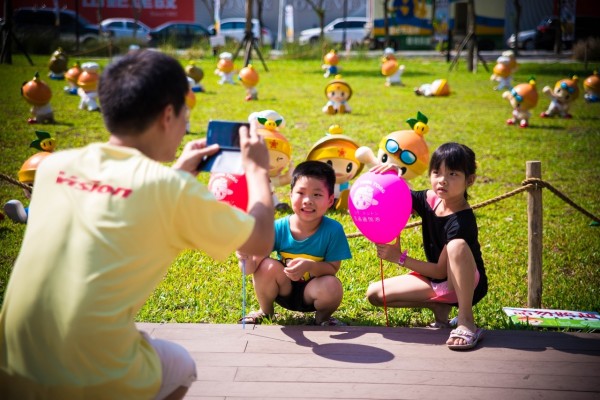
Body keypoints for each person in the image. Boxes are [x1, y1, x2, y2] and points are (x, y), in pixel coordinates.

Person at [0, 50, 274, 400]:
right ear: (169, 114)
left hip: (11, 368)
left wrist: (177, 174)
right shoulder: (172, 192)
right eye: (185, 112)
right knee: (180, 364)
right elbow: (261, 240)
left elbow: (116, 196)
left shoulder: (57, 167)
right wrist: (257, 171)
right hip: (92, 379)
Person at [366, 142, 488, 351]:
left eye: (452, 174)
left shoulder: (462, 221)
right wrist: (393, 176)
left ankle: (466, 321)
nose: (442, 180)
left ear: (470, 180)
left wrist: (399, 258)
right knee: (375, 294)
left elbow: (441, 270)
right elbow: (400, 195)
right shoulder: (431, 200)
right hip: (438, 282)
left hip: (465, 285)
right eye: (436, 172)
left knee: (456, 246)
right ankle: (438, 305)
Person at [237, 161, 352, 326]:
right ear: (290, 195)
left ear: (330, 200)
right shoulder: (278, 227)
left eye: (317, 195)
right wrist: (245, 257)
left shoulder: (333, 230)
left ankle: (323, 319)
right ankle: (266, 311)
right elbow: (249, 270)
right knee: (266, 266)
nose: (307, 200)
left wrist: (310, 266)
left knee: (333, 286)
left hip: (313, 292)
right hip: (283, 289)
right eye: (301, 193)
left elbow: (332, 269)